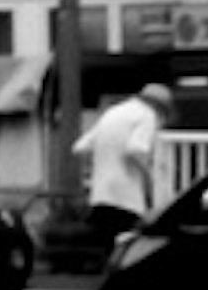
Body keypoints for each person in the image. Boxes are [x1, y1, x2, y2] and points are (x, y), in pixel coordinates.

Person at [71, 79, 176, 241]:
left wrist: (94, 169)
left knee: (106, 248)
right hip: (127, 199)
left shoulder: (114, 112)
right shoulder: (148, 115)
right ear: (161, 107)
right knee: (129, 248)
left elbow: (80, 147)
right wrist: (148, 178)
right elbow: (135, 150)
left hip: (100, 195)